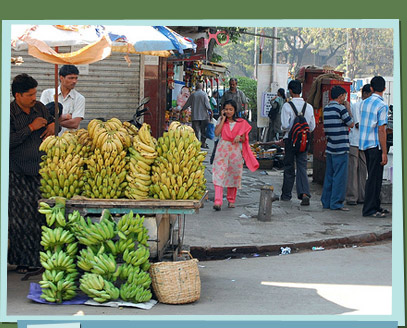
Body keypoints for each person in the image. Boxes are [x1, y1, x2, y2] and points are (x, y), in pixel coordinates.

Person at [9, 73, 55, 273]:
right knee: (20, 218)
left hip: (39, 171)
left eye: (35, 93)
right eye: (29, 95)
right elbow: (7, 141)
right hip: (17, 172)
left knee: (39, 216)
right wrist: (30, 127)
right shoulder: (9, 112)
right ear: (18, 96)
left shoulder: (40, 108)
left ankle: (39, 259)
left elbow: (54, 121)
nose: (33, 98)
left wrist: (53, 125)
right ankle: (22, 261)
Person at [212, 99, 259, 211]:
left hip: (235, 151)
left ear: (235, 110)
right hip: (222, 149)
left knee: (234, 174)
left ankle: (231, 199)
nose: (228, 112)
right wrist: (223, 119)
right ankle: (217, 200)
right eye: (226, 109)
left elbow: (244, 139)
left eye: (230, 109)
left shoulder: (241, 123)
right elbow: (217, 133)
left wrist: (240, 137)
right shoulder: (220, 120)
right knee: (218, 173)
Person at [280, 80, 316, 205]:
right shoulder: (309, 107)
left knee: (289, 166)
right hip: (304, 140)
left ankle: (286, 194)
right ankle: (304, 193)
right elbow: (312, 127)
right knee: (302, 166)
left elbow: (284, 125)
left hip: (290, 140)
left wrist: (291, 128)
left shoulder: (287, 106)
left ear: (290, 91)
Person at [359, 76, 389, 217]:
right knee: (374, 177)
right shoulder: (382, 105)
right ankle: (370, 208)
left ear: (371, 88)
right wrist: (384, 151)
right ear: (384, 88)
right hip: (375, 144)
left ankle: (375, 206)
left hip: (365, 143)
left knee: (373, 176)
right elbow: (381, 129)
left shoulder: (364, 103)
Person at [321, 86, 354, 211]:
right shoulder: (341, 109)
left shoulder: (327, 109)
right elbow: (350, 123)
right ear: (340, 96)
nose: (345, 98)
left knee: (329, 175)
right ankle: (336, 203)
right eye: (344, 96)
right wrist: (348, 108)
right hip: (341, 147)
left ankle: (326, 201)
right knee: (340, 177)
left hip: (330, 147)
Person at [40, 64, 85, 136]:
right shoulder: (47, 94)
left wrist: (54, 122)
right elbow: (42, 119)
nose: (74, 81)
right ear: (61, 78)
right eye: (71, 78)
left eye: (76, 78)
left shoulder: (79, 98)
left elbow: (75, 123)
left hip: (70, 142)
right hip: (49, 141)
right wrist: (64, 118)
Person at [345, 84, 371, 205]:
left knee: (362, 170)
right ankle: (352, 197)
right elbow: (357, 124)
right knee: (354, 170)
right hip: (356, 142)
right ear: (365, 94)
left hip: (363, 142)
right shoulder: (357, 106)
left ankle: (361, 196)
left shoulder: (367, 106)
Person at [182, 82, 213, 149]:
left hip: (195, 116)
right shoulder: (204, 94)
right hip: (204, 116)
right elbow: (207, 105)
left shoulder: (193, 95)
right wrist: (211, 112)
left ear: (196, 87)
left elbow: (187, 103)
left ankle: (196, 144)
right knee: (203, 131)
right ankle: (203, 143)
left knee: (196, 131)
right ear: (202, 88)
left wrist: (182, 109)